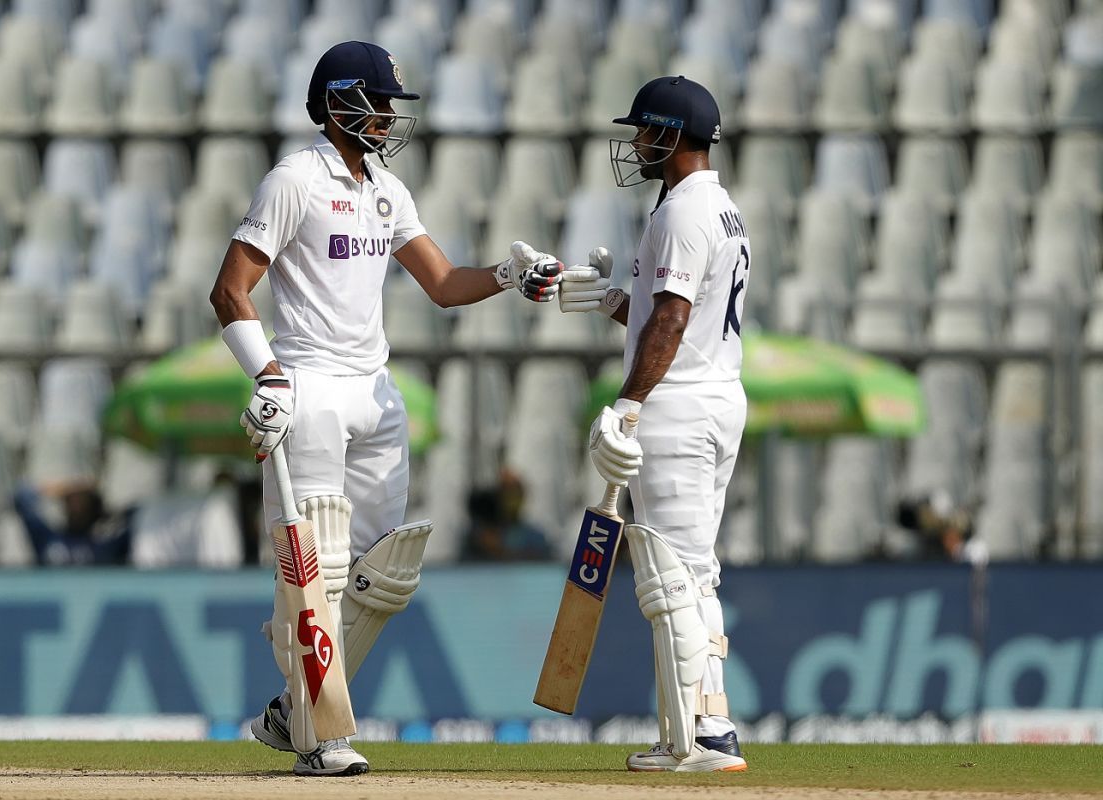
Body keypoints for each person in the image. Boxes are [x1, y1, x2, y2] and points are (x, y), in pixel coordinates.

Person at [209, 41, 563, 777]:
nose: (388, 117)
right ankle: (320, 738)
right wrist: (267, 376)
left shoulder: (387, 189)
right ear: (339, 102)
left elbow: (441, 284)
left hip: (375, 389)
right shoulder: (294, 179)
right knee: (315, 568)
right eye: (379, 102)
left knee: (381, 574)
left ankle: (292, 708)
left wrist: (507, 273)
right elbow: (230, 289)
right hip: (308, 384)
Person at [556, 76, 751, 772]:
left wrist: (629, 402)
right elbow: (669, 315)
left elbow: (670, 322)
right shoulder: (719, 208)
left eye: (644, 131)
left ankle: (695, 740)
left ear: (671, 135)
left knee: (671, 576)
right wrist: (610, 299)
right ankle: (711, 722)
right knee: (696, 574)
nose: (636, 143)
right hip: (714, 397)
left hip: (677, 407)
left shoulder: (680, 215)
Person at [13, 480, 133, 566]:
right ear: (64, 507)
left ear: (93, 509)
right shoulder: (48, 540)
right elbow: (22, 495)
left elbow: (134, 513)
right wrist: (63, 489)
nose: (77, 508)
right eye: (72, 502)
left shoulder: (105, 547)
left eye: (83, 503)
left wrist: (100, 498)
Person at [461, 468, 552, 561]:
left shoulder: (535, 536)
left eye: (515, 492)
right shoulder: (478, 535)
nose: (511, 499)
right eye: (506, 492)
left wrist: (501, 551)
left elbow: (547, 564)